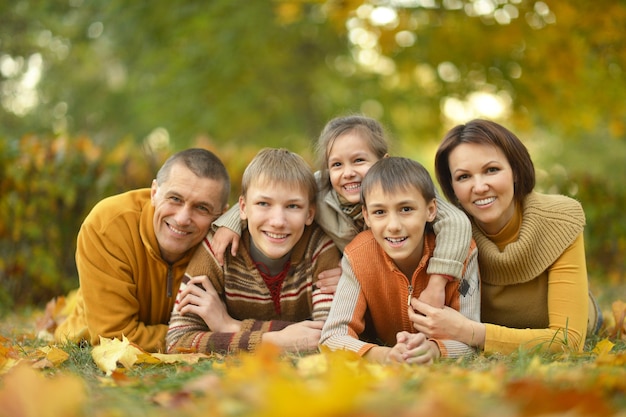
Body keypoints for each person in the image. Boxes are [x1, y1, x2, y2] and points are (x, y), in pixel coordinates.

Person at [211, 114, 473, 308]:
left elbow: (456, 222)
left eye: (359, 160)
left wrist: (438, 281)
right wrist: (232, 221)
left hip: (411, 282)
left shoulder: (407, 187)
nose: (348, 173)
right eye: (336, 164)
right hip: (362, 289)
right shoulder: (321, 188)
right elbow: (275, 192)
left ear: (384, 161)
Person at [410, 119, 601, 354]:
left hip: (578, 321)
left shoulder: (559, 219)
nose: (479, 187)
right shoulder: (446, 234)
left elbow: (568, 340)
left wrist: (468, 332)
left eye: (491, 170)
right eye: (463, 177)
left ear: (515, 172)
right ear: (452, 188)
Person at [165, 148, 342, 354]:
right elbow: (178, 340)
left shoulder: (319, 248)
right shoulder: (217, 249)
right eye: (263, 203)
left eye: (292, 206)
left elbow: (326, 337)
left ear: (309, 214)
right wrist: (273, 341)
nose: (277, 221)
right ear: (243, 207)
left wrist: (229, 326)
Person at [54, 148, 231, 352]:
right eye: (175, 199)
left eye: (202, 208)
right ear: (154, 193)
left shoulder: (225, 242)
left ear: (221, 215)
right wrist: (209, 338)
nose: (182, 219)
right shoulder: (107, 225)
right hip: (86, 339)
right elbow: (114, 336)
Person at [319, 157, 480, 364]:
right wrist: (383, 355)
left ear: (431, 210)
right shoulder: (358, 256)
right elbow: (332, 338)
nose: (393, 225)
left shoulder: (463, 253)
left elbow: (471, 338)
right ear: (366, 217)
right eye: (379, 212)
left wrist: (434, 350)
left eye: (406, 209)